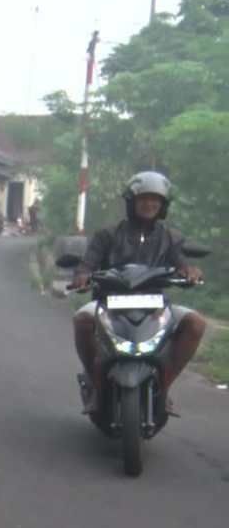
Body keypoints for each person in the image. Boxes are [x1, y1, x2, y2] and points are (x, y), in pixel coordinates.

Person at [71, 171, 205, 413]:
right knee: (81, 319)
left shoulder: (169, 237)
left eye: (156, 199)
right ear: (131, 202)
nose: (149, 204)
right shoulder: (108, 234)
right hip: (109, 304)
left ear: (163, 205)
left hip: (154, 306)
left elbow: (181, 261)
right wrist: (82, 275)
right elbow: (88, 263)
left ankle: (164, 386)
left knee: (196, 323)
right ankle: (97, 384)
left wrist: (190, 270)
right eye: (143, 198)